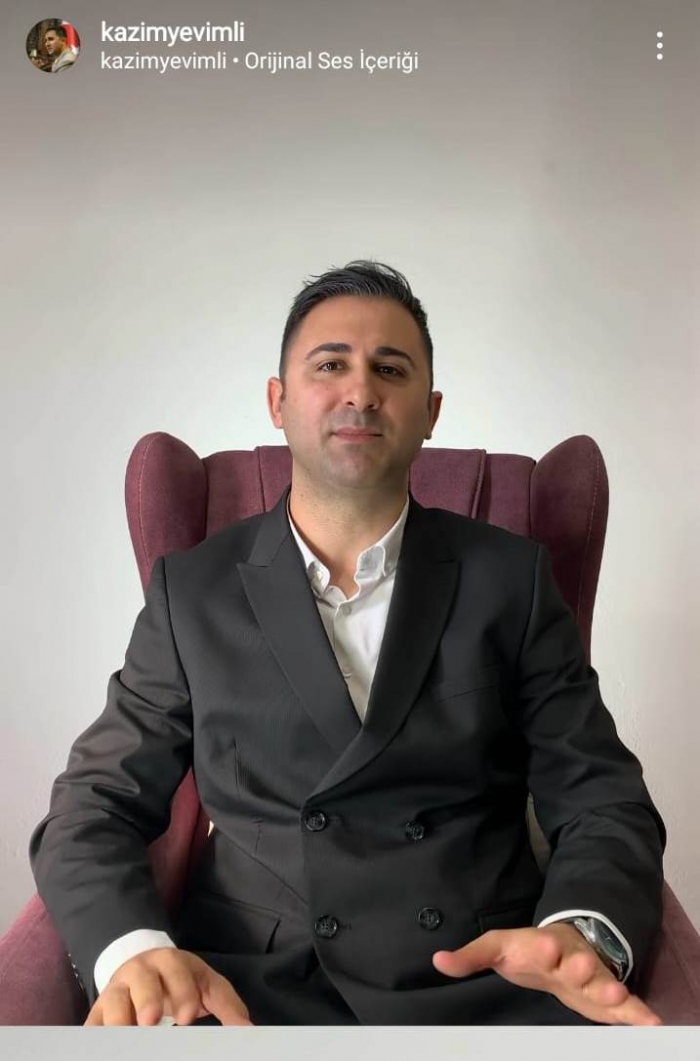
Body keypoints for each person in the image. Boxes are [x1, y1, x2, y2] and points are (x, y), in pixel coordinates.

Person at [29, 261, 666, 1028]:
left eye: (390, 369)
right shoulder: (192, 591)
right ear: (279, 401)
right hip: (246, 993)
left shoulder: (512, 580)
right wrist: (133, 950)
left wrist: (582, 931)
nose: (360, 391)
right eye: (330, 364)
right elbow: (94, 805)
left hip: (479, 984)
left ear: (430, 412)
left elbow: (602, 797)